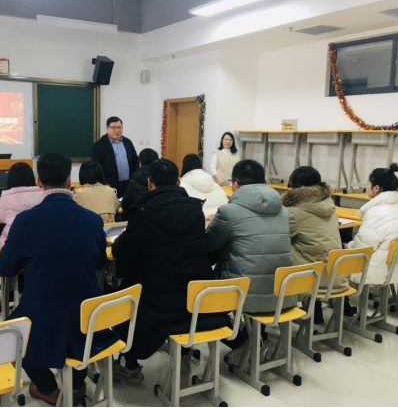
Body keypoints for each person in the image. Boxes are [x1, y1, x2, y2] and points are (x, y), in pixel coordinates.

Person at [0, 153, 119, 406]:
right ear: (69, 180)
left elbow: (4, 268)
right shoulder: (92, 220)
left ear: (39, 182)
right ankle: (76, 386)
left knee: (9, 334)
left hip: (43, 312)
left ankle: (48, 387)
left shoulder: (26, 220)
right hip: (88, 314)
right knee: (80, 333)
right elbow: (99, 263)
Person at [112, 159, 225, 385]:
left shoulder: (143, 212)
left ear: (149, 183)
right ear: (178, 181)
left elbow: (120, 252)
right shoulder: (195, 209)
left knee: (125, 292)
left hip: (157, 302)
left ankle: (130, 366)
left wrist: (127, 235)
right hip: (196, 300)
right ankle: (183, 353)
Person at [206, 160, 295, 366]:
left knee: (203, 302)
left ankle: (242, 342)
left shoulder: (228, 212)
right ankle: (254, 339)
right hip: (280, 292)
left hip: (243, 293)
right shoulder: (283, 211)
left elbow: (209, 245)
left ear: (235, 184)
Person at [282, 166, 345, 324]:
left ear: (295, 186)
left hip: (311, 280)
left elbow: (278, 238)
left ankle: (283, 312)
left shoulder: (292, 213)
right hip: (335, 276)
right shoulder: (330, 206)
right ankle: (316, 310)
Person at [349, 164, 398, 286]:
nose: (366, 186)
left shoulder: (375, 213)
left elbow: (362, 248)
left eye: (368, 183)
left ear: (376, 188)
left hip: (374, 271)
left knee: (334, 259)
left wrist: (347, 246)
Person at [0, 162, 44, 249]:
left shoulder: (7, 195)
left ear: (10, 178)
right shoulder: (42, 193)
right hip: (37, 241)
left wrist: (10, 217)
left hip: (12, 241)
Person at [92, 117, 140, 198]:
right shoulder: (99, 145)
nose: (117, 130)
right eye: (113, 127)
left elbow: (135, 160)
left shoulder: (127, 142)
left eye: (119, 127)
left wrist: (134, 179)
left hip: (128, 185)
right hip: (109, 186)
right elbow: (96, 166)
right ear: (107, 128)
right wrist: (104, 183)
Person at [180, 153, 229, 218]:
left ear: (184, 166)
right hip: (221, 216)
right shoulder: (211, 181)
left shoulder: (183, 183)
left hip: (200, 218)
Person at [121, 148, 159, 214]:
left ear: (140, 163)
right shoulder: (162, 178)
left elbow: (125, 205)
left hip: (138, 216)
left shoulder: (133, 181)